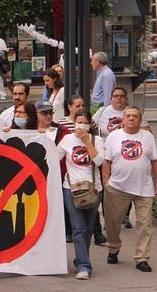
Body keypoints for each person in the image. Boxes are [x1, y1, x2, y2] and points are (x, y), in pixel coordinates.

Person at [102, 107, 157, 273]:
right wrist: (106, 182)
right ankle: (113, 248)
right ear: (123, 119)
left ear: (140, 120)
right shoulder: (114, 137)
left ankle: (142, 258)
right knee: (112, 222)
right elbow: (106, 162)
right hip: (117, 187)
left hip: (144, 187)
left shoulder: (148, 137)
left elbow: (155, 161)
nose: (131, 119)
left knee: (145, 224)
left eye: (135, 116)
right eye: (128, 116)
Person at [56, 109, 105, 280]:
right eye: (78, 122)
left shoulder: (97, 140)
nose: (81, 125)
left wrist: (86, 141)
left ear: (90, 124)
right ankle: (84, 266)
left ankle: (80, 259)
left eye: (85, 122)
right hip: (71, 189)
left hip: (93, 189)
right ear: (74, 123)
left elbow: (100, 161)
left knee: (88, 228)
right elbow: (54, 157)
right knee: (78, 228)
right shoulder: (67, 139)